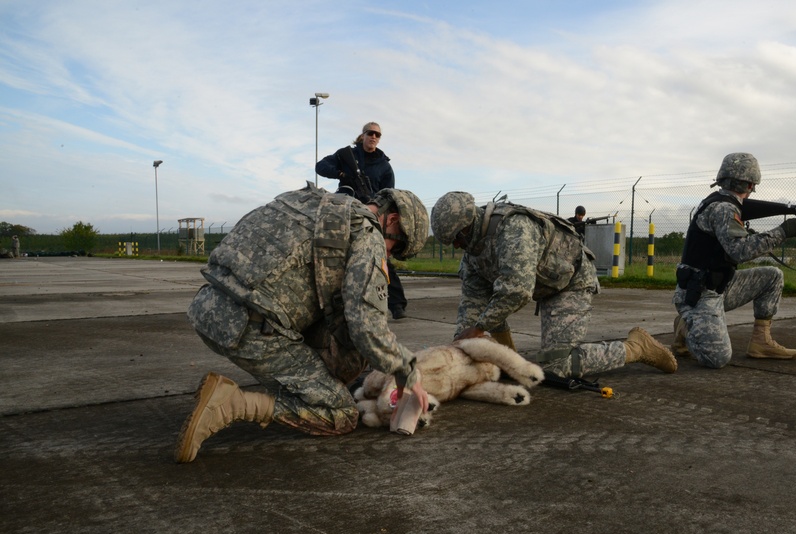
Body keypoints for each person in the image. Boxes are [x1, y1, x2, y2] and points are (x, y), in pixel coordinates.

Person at [175, 184, 430, 463]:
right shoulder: (368, 235)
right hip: (249, 328)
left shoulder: (313, 200)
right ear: (392, 220)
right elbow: (367, 329)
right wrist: (408, 371)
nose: (390, 255)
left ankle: (303, 388)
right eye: (396, 246)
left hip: (207, 308)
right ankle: (231, 404)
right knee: (341, 414)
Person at [430, 192, 677, 380]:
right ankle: (511, 365)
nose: (456, 246)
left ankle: (637, 347)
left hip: (571, 283)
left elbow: (517, 290)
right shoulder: (472, 251)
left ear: (468, 223)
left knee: (557, 367)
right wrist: (458, 346)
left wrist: (479, 327)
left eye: (457, 238)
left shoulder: (513, 229)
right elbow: (473, 303)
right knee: (484, 319)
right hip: (545, 285)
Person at [671, 152, 796, 369]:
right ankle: (688, 326)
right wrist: (783, 232)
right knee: (717, 358)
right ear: (751, 184)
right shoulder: (724, 208)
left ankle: (761, 342)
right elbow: (739, 251)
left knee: (772, 276)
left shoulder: (723, 204)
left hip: (719, 287)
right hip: (699, 294)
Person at [316, 122, 409, 319]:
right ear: (363, 135)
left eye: (377, 134)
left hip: (372, 216)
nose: (374, 137)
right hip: (345, 213)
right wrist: (342, 174)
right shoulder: (347, 155)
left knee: (380, 256)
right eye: (370, 133)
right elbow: (321, 167)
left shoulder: (384, 166)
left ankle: (397, 304)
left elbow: (389, 194)